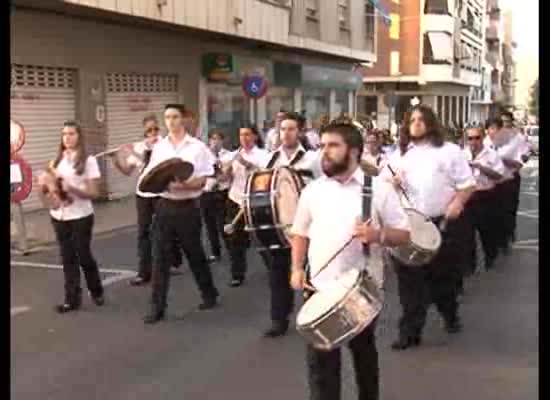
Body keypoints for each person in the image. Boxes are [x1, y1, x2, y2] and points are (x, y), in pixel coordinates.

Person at [290, 119, 411, 400]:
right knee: (321, 364)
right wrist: (296, 268)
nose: (325, 152)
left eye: (333, 145)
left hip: (361, 289)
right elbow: (299, 233)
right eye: (322, 146)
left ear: (354, 151)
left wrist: (377, 234)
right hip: (318, 287)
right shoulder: (313, 190)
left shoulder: (378, 189)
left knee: (363, 356)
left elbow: (403, 235)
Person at [382, 104, 476, 350]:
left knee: (442, 280)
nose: (416, 123)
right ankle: (409, 333)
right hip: (407, 226)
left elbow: (467, 185)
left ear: (431, 123)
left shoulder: (449, 151)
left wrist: (457, 202)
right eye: (412, 119)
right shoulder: (398, 155)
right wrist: (391, 182)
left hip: (440, 224)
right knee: (409, 283)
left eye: (421, 119)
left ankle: (450, 314)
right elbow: (384, 187)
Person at [143, 104, 219, 324]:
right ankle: (157, 308)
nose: (171, 121)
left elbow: (207, 177)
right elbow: (153, 176)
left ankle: (209, 294)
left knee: (195, 254)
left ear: (183, 119)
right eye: (167, 117)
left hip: (188, 207)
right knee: (159, 257)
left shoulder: (197, 147)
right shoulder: (160, 147)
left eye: (175, 117)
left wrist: (187, 185)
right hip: (165, 206)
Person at [258, 112, 321, 338]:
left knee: (311, 272)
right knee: (277, 274)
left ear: (300, 132)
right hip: (279, 225)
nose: (286, 133)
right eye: (282, 129)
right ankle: (279, 319)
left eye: (291, 129)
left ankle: (314, 317)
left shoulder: (313, 160)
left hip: (308, 224)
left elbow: (324, 186)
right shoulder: (268, 160)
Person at [40, 121, 105, 313]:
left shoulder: (88, 161)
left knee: (83, 255)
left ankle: (96, 290)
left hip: (81, 215)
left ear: (79, 136)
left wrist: (73, 188)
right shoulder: (55, 162)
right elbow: (48, 190)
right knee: (67, 257)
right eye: (64, 134)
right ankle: (71, 299)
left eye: (71, 134)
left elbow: (94, 193)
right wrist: (45, 186)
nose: (67, 137)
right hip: (59, 215)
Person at [110, 114, 182, 286]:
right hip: (143, 195)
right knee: (143, 233)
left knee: (164, 231)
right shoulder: (139, 147)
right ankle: (144, 272)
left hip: (160, 194)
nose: (152, 133)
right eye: (148, 131)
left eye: (155, 129)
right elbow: (127, 170)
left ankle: (168, 263)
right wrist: (115, 159)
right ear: (144, 132)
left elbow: (153, 164)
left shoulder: (166, 146)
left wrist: (135, 152)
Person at [222, 123, 270, 287]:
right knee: (235, 240)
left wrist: (246, 163)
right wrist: (227, 171)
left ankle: (273, 269)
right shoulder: (234, 155)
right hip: (235, 199)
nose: (244, 138)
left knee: (262, 238)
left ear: (255, 136)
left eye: (248, 134)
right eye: (242, 135)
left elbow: (265, 175)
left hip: (255, 201)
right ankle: (237, 274)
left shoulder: (263, 154)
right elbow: (225, 180)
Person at [463, 126, 505, 270]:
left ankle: (490, 256)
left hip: (486, 196)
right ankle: (469, 265)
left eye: (477, 138)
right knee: (467, 233)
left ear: (482, 137)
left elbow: (499, 175)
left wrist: (481, 168)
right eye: (470, 138)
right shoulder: (462, 155)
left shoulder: (492, 155)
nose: (474, 141)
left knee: (487, 230)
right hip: (468, 196)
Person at [484, 117, 524, 253]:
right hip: (491, 183)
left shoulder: (514, 141)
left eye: (495, 129)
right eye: (490, 128)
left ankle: (507, 236)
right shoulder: (484, 142)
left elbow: (518, 164)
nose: (492, 132)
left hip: (508, 181)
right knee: (493, 213)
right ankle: (495, 242)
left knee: (507, 211)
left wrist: (501, 159)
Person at [201, 129, 232, 263]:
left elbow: (225, 177)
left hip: (221, 192)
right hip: (206, 192)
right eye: (213, 139)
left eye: (218, 139)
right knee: (209, 225)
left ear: (223, 141)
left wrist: (216, 171)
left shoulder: (228, 156)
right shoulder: (203, 156)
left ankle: (231, 250)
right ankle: (215, 252)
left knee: (222, 224)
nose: (215, 142)